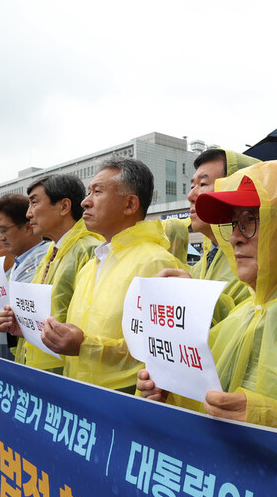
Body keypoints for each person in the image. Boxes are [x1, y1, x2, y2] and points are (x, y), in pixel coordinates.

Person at [139, 151, 277, 427]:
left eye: (250, 222)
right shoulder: (238, 319)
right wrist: (169, 392)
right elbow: (206, 406)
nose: (234, 238)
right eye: (234, 224)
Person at [36, 157, 181, 392]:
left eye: (97, 192)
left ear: (130, 205)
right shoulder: (91, 265)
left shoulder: (157, 263)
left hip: (124, 403)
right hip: (81, 395)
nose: (85, 202)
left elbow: (160, 351)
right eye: (88, 192)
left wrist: (85, 346)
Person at [0, 174, 99, 375]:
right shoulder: (52, 251)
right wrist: (18, 324)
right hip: (40, 370)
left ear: (63, 207)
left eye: (34, 203)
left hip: (64, 376)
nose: (28, 214)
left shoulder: (88, 250)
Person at [187, 149, 260, 310]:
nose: (191, 195)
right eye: (192, 186)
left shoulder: (252, 262)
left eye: (203, 184)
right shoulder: (199, 266)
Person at [0, 194, 49, 360]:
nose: (1, 237)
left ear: (28, 227)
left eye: (4, 230)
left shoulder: (45, 259)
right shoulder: (21, 263)